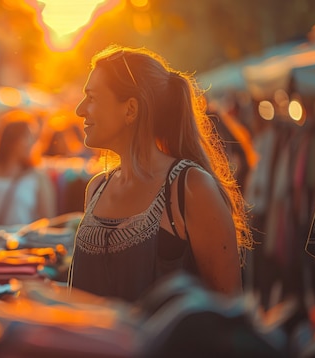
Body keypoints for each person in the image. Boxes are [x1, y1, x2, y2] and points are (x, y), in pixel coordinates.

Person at [67, 45, 253, 302]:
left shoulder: (190, 188)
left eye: (92, 97)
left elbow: (227, 310)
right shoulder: (97, 188)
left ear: (130, 109)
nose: (79, 109)